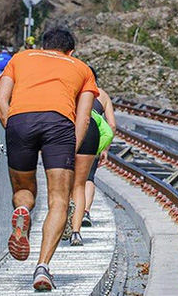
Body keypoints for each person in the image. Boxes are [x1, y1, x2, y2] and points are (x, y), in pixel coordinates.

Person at [0, 26, 98, 291]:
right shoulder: (82, 69)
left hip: (19, 120)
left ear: (42, 47)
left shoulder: (21, 58)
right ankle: (42, 268)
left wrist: (14, 129)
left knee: (24, 190)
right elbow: (84, 116)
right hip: (58, 123)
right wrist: (69, 150)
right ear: (71, 51)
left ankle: (23, 211)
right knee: (59, 200)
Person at [68, 66, 116, 245]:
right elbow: (111, 125)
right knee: (86, 180)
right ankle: (82, 219)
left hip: (71, 132)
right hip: (93, 137)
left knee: (66, 181)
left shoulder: (72, 90)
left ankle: (66, 216)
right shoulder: (102, 95)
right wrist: (105, 149)